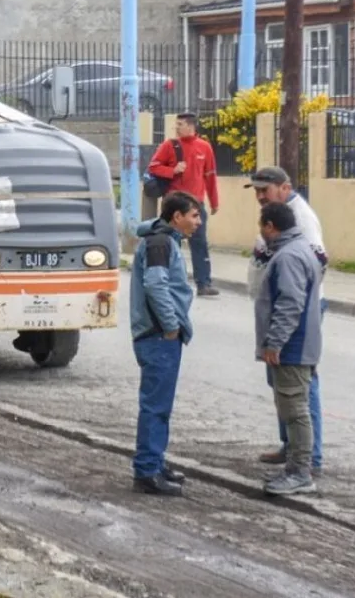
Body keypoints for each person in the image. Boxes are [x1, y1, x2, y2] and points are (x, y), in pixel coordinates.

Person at [247, 166, 326, 473]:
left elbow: (317, 262)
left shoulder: (299, 219)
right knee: (282, 385)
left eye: (264, 190)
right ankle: (292, 446)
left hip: (296, 314)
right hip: (281, 311)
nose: (259, 196)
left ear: (284, 187)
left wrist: (301, 307)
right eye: (256, 191)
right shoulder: (277, 214)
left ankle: (308, 457)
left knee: (300, 387)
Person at [129, 190, 201, 496]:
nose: (198, 221)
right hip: (158, 336)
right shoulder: (161, 243)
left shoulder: (164, 240)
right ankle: (147, 472)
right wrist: (171, 326)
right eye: (194, 215)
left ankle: (155, 462)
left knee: (160, 406)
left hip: (160, 335)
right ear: (177, 217)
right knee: (156, 406)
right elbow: (156, 285)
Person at [147, 113, 220, 297]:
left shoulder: (204, 147)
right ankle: (171, 282)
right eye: (176, 124)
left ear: (191, 126)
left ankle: (203, 284)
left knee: (200, 243)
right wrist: (172, 170)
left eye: (180, 124)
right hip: (174, 203)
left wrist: (214, 201)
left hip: (196, 204)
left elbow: (210, 176)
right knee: (171, 242)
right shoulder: (169, 146)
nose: (176, 128)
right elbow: (153, 167)